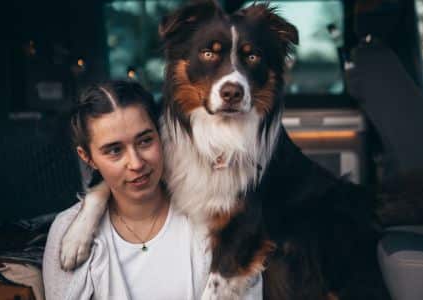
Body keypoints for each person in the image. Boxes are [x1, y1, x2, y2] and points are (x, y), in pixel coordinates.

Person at [42, 80, 261, 300]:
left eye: (145, 141)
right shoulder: (67, 230)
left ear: (161, 135)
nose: (136, 163)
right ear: (87, 157)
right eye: (114, 150)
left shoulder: (217, 217)